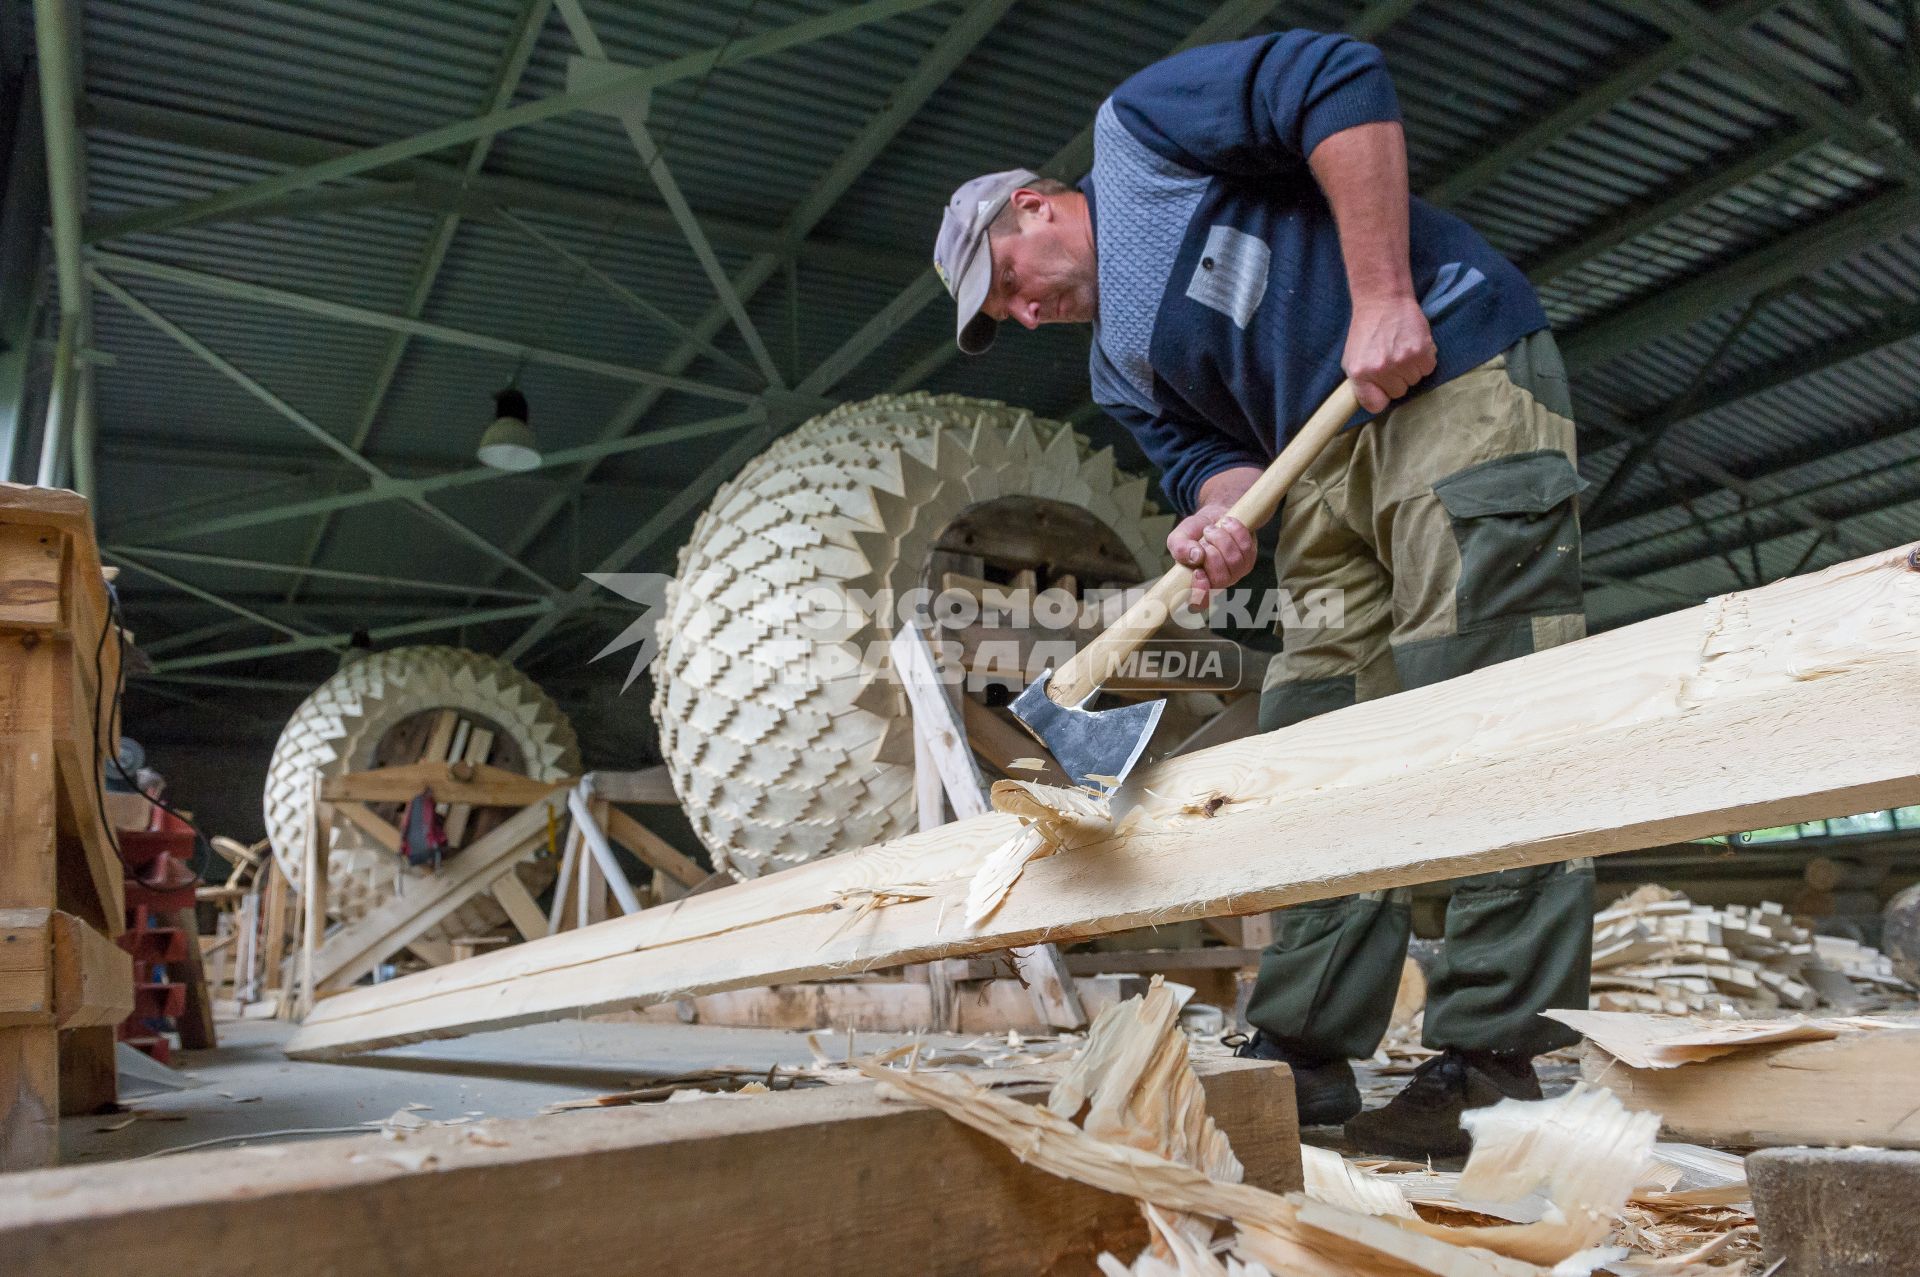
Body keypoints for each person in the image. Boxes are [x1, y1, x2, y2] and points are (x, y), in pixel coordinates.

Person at [931, 30, 1593, 1159]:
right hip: (1323, 461)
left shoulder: (1137, 135)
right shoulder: (1115, 367)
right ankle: (1307, 1050)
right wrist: (1217, 514)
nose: (1028, 319)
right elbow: (1209, 462)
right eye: (1007, 321)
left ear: (1035, 209)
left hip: (1449, 368)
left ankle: (1492, 1061)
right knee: (1315, 732)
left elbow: (1339, 77)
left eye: (1010, 290)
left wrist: (1382, 293)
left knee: (1478, 689)